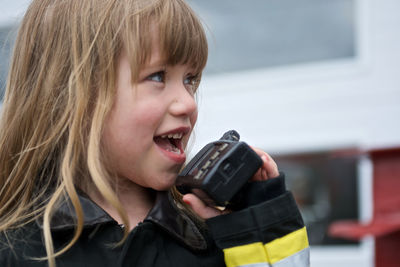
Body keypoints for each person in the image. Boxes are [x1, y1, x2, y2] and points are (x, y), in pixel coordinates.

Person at [0, 0, 310, 266]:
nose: (188, 102)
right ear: (74, 93)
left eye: (190, 79)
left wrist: (262, 228)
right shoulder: (16, 249)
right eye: (158, 76)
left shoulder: (211, 237)